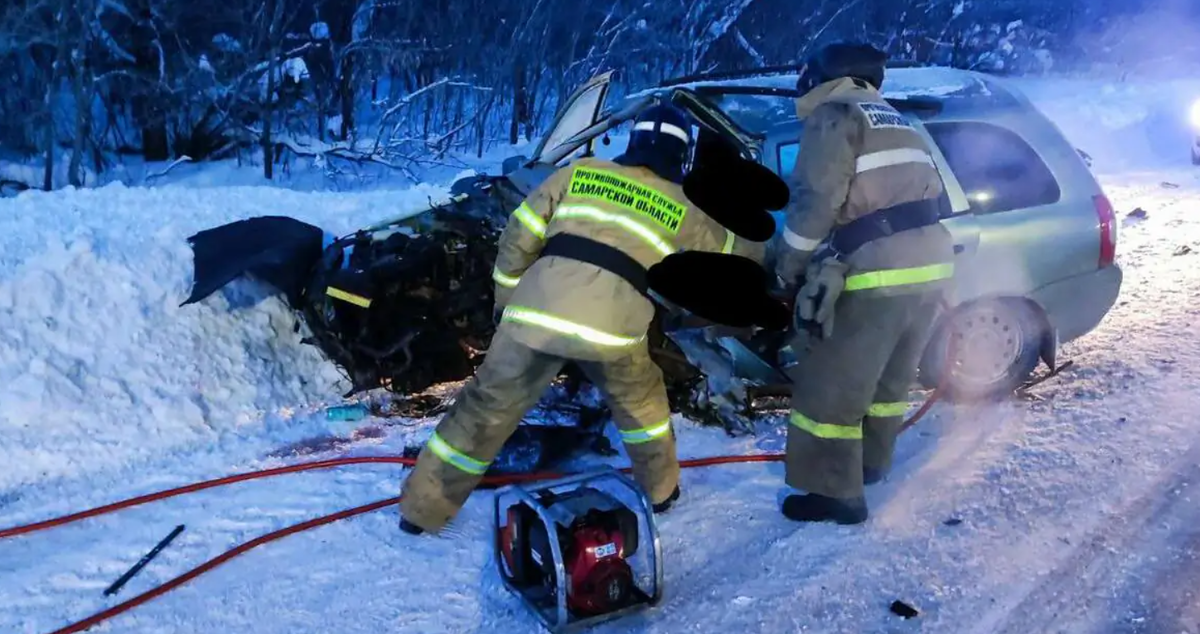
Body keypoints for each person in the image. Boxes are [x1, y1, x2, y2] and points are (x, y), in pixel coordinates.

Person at [398, 104, 760, 535]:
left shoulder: (580, 172)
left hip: (534, 313)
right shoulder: (684, 205)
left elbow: (520, 230)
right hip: (610, 330)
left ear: (633, 141)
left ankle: (421, 511)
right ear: (680, 156)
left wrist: (507, 299)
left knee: (482, 410)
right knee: (643, 408)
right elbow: (741, 252)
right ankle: (662, 492)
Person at [772, 42, 956, 525]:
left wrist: (787, 267)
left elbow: (815, 204)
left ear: (821, 76)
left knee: (830, 387)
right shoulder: (896, 119)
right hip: (930, 265)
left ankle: (836, 494)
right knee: (888, 379)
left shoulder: (835, 117)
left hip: (877, 270)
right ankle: (871, 464)